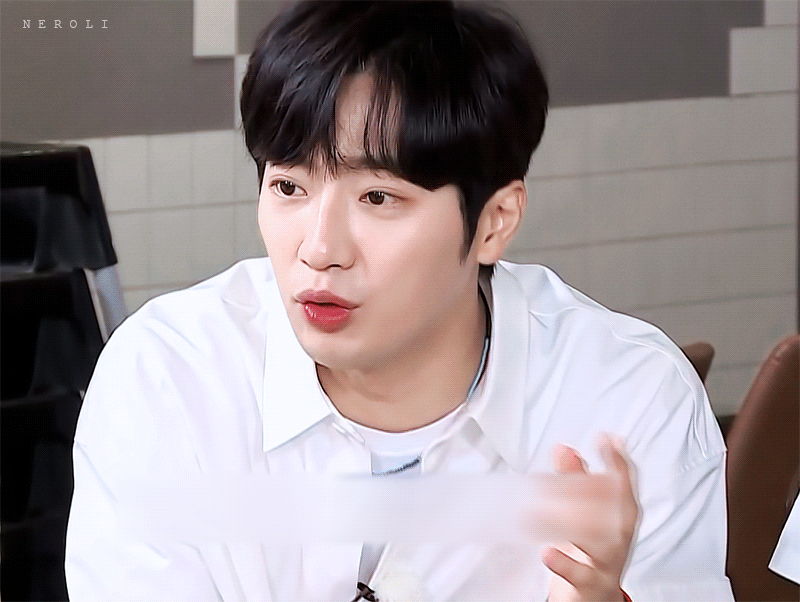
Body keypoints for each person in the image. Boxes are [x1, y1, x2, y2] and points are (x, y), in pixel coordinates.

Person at [65, 1, 734, 600]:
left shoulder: (628, 399)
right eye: (289, 187)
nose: (320, 249)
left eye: (377, 197)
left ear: (495, 221)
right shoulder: (165, 381)